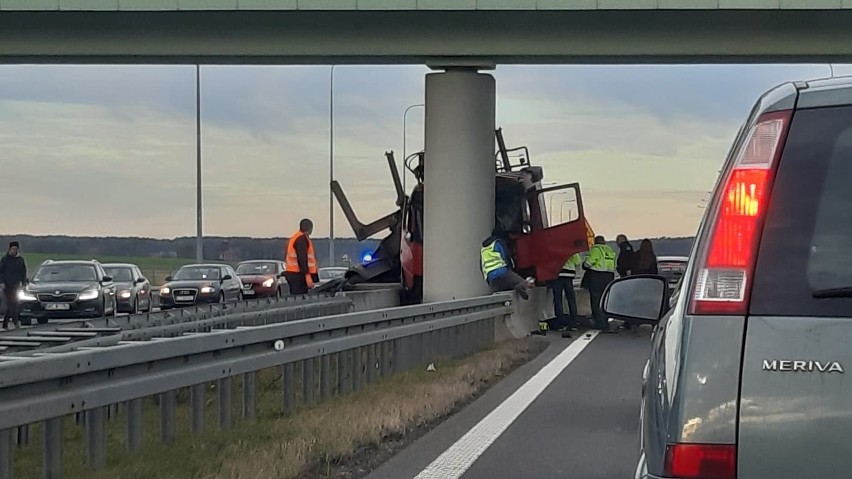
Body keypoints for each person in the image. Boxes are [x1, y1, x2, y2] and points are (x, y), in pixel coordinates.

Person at [481, 227, 532, 301]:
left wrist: (488, 279)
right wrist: (511, 269)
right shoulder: (498, 242)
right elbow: (506, 256)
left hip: (491, 277)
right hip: (502, 272)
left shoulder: (483, 249)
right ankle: (518, 286)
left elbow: (481, 266)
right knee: (522, 282)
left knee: (498, 298)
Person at [583, 236, 617, 333]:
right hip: (609, 276)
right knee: (605, 300)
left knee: (596, 300)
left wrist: (585, 264)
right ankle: (605, 321)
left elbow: (588, 263)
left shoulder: (596, 249)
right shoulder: (610, 250)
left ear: (595, 242)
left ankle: (599, 323)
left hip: (597, 277)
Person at [548, 252, 581, 338]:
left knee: (558, 299)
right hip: (569, 275)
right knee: (571, 299)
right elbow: (578, 262)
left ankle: (560, 322)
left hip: (558, 275)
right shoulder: (572, 250)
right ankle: (574, 322)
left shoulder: (556, 249)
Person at [284, 219, 319, 295]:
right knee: (300, 298)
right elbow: (302, 259)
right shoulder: (301, 239)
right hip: (298, 276)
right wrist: (307, 276)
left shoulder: (296, 237)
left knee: (297, 298)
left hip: (294, 274)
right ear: (310, 228)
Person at [0, 241, 27, 330]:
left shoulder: (20, 260)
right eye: (12, 249)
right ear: (10, 249)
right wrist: (2, 282)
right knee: (11, 303)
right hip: (7, 285)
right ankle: (16, 323)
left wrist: (23, 283)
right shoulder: (5, 259)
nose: (14, 251)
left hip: (16, 285)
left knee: (13, 304)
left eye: (15, 249)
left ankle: (5, 323)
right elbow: (1, 272)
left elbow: (23, 272)